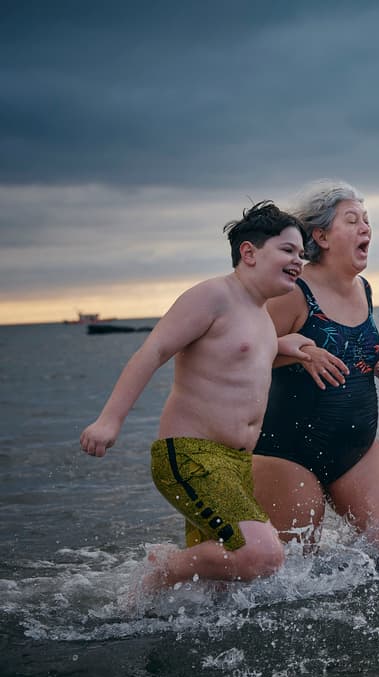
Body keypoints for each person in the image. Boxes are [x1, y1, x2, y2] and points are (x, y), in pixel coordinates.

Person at [79, 201, 310, 589]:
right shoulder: (213, 296)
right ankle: (162, 568)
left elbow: (237, 357)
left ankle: (154, 600)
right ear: (249, 252)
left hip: (236, 462)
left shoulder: (261, 315)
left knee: (220, 585)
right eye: (288, 250)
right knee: (262, 555)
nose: (299, 260)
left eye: (302, 254)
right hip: (192, 456)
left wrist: (286, 346)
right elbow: (152, 351)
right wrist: (109, 420)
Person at [252, 181, 379, 556]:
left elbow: (355, 352)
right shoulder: (293, 291)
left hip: (356, 448)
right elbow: (244, 353)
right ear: (320, 235)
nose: (365, 228)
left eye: (367, 221)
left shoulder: (364, 288)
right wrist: (301, 351)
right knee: (291, 573)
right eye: (352, 220)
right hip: (286, 451)